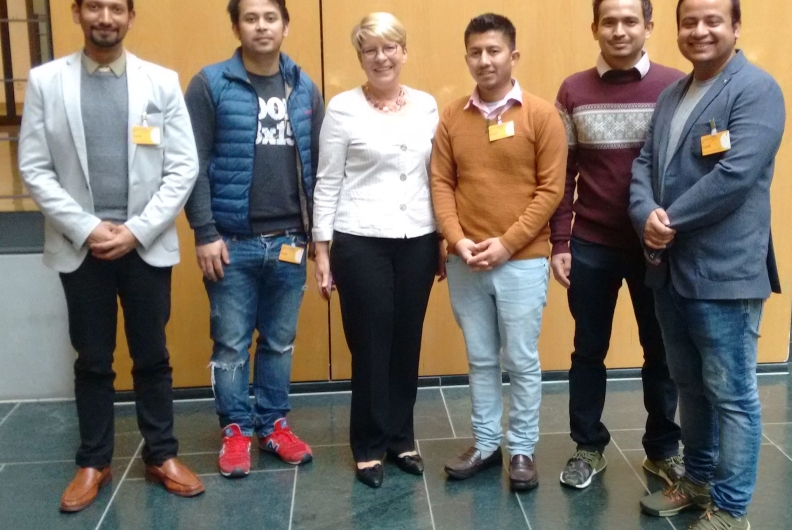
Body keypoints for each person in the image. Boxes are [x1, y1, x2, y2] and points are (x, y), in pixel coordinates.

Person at [18, 0, 204, 512]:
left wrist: (137, 230)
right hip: (83, 248)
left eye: (116, 7)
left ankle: (161, 455)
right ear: (77, 13)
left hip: (144, 245)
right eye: (94, 6)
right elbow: (35, 168)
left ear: (130, 16)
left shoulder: (161, 82)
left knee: (153, 357)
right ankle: (94, 461)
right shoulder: (46, 81)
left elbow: (182, 167)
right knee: (93, 359)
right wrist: (88, 226)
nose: (106, 17)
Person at [629, 0, 785, 527]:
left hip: (725, 274)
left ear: (735, 27)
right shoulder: (673, 93)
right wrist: (645, 212)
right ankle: (695, 481)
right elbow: (646, 163)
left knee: (733, 394)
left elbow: (736, 175)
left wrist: (666, 218)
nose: (699, 30)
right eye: (689, 21)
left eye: (712, 20)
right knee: (689, 385)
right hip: (670, 271)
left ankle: (730, 506)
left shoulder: (756, 90)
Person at [183, 0, 324, 478]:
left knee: (280, 343)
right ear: (236, 26)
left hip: (290, 239)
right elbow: (193, 166)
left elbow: (320, 169)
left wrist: (317, 239)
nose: (261, 27)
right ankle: (236, 431)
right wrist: (205, 232)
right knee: (230, 345)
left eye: (270, 18)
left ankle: (273, 425)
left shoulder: (304, 86)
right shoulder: (210, 84)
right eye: (251, 18)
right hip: (232, 241)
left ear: (285, 24)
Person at [550, 0, 685, 489]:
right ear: (594, 28)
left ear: (648, 27)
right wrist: (560, 239)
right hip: (591, 243)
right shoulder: (573, 90)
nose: (620, 30)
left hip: (658, 246)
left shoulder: (676, 85)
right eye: (610, 21)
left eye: (631, 20)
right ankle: (588, 446)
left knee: (662, 351)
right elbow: (562, 175)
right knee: (588, 351)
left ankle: (663, 450)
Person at [432, 13, 567, 491]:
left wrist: (508, 244)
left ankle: (523, 449)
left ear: (513, 55)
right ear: (466, 56)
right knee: (482, 358)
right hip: (466, 259)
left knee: (522, 360)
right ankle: (487, 443)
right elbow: (441, 183)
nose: (484, 60)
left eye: (493, 51)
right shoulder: (451, 116)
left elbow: (551, 190)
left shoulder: (541, 114)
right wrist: (457, 239)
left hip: (523, 260)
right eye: (475, 52)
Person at [313, 12, 443, 489]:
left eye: (390, 47)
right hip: (359, 238)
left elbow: (440, 178)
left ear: (404, 52)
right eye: (370, 49)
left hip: (418, 238)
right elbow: (327, 182)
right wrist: (321, 249)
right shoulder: (344, 108)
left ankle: (400, 438)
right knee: (371, 343)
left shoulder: (428, 106)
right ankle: (367, 445)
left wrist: (444, 237)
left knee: (406, 341)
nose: (381, 57)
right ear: (361, 57)